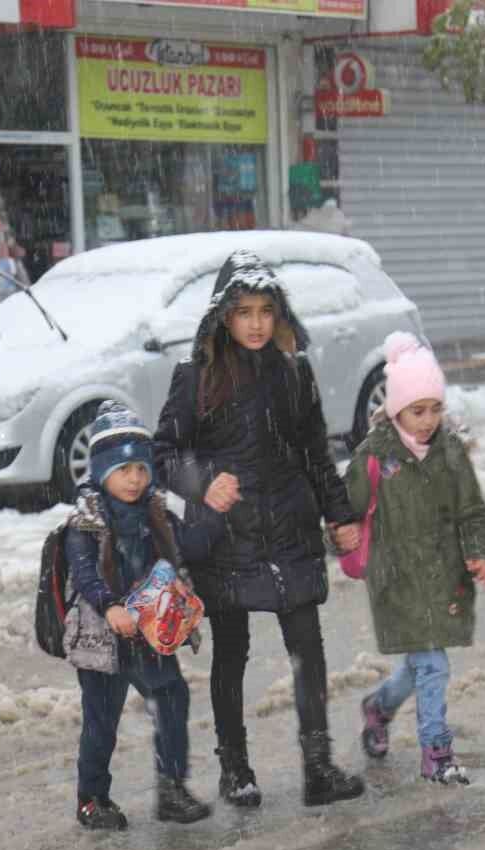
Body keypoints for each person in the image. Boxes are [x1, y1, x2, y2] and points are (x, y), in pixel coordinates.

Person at [153, 250, 367, 808]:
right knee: (231, 653)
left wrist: (339, 514)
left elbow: (316, 452)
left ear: (279, 314)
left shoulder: (294, 372)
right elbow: (163, 455)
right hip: (226, 536)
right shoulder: (196, 377)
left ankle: (318, 767)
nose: (255, 324)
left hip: (289, 527)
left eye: (265, 311)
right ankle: (236, 768)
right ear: (224, 315)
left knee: (307, 648)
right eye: (244, 311)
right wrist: (203, 483)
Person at [62, 402, 227, 830]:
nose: (134, 478)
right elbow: (84, 573)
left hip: (148, 632)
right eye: (123, 470)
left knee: (172, 698)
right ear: (102, 472)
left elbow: (184, 549)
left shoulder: (155, 512)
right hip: (103, 640)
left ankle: (172, 789)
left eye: (140, 468)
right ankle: (92, 799)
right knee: (101, 720)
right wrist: (110, 605)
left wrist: (212, 516)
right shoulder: (86, 520)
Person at [347, 332, 485, 785]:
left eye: (435, 408)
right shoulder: (374, 456)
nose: (428, 420)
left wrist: (478, 552)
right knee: (434, 665)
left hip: (444, 576)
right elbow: (345, 513)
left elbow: (472, 509)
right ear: (395, 410)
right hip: (397, 581)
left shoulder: (450, 451)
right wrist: (340, 536)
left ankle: (379, 707)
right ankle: (437, 751)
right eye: (417, 410)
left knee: (421, 665)